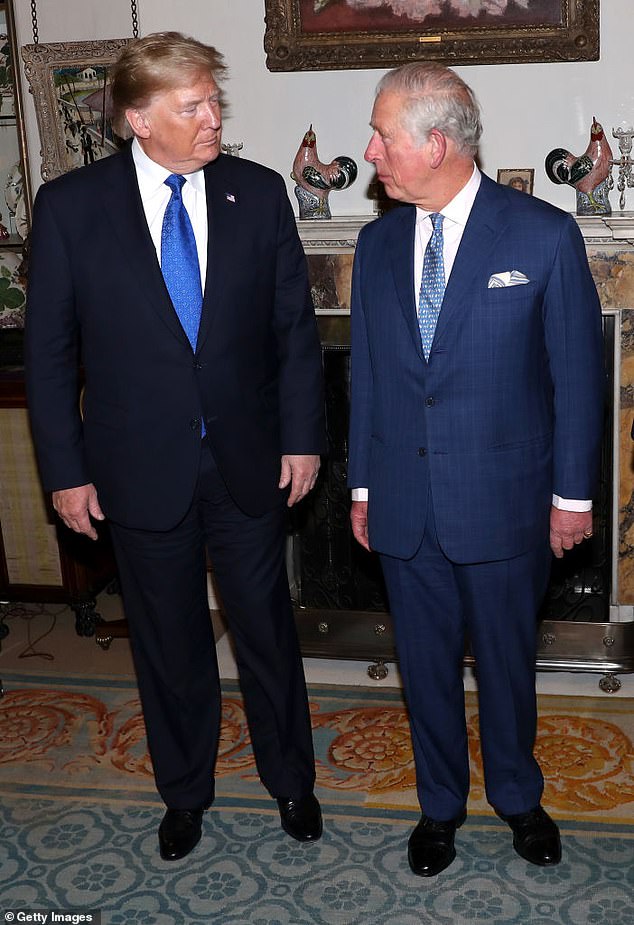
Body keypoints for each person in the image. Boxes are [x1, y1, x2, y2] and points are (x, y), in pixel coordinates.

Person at [25, 32, 326, 861]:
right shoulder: (71, 207)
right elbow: (49, 354)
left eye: (214, 102)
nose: (212, 119)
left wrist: (302, 440)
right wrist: (66, 472)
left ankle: (291, 780)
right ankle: (185, 792)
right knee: (168, 642)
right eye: (191, 106)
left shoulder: (258, 193)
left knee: (265, 628)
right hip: (136, 468)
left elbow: (293, 331)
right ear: (136, 120)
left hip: (247, 463)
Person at [348, 62, 604, 877]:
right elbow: (369, 381)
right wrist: (361, 486)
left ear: (434, 142)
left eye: (383, 135)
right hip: (401, 504)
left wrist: (572, 496)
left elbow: (576, 377)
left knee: (505, 664)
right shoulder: (377, 240)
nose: (370, 151)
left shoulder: (541, 233)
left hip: (506, 505)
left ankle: (519, 797)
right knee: (423, 668)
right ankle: (440, 805)